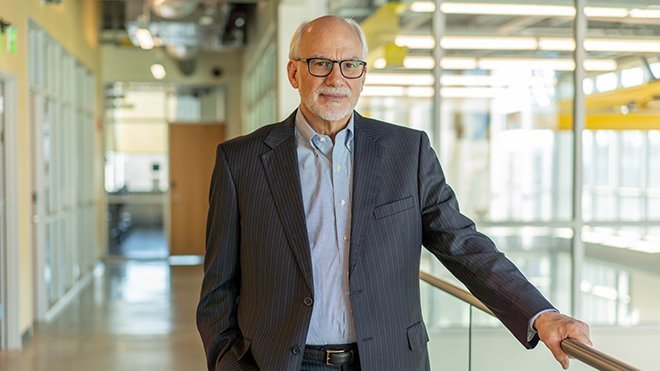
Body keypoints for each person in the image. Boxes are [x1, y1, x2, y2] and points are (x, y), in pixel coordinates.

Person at [197, 15, 591, 371]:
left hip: (388, 359)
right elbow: (218, 288)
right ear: (293, 72)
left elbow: (463, 244)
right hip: (278, 363)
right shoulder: (242, 160)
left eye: (350, 65)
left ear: (363, 75)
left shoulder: (408, 152)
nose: (337, 79)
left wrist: (540, 314)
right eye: (320, 64)